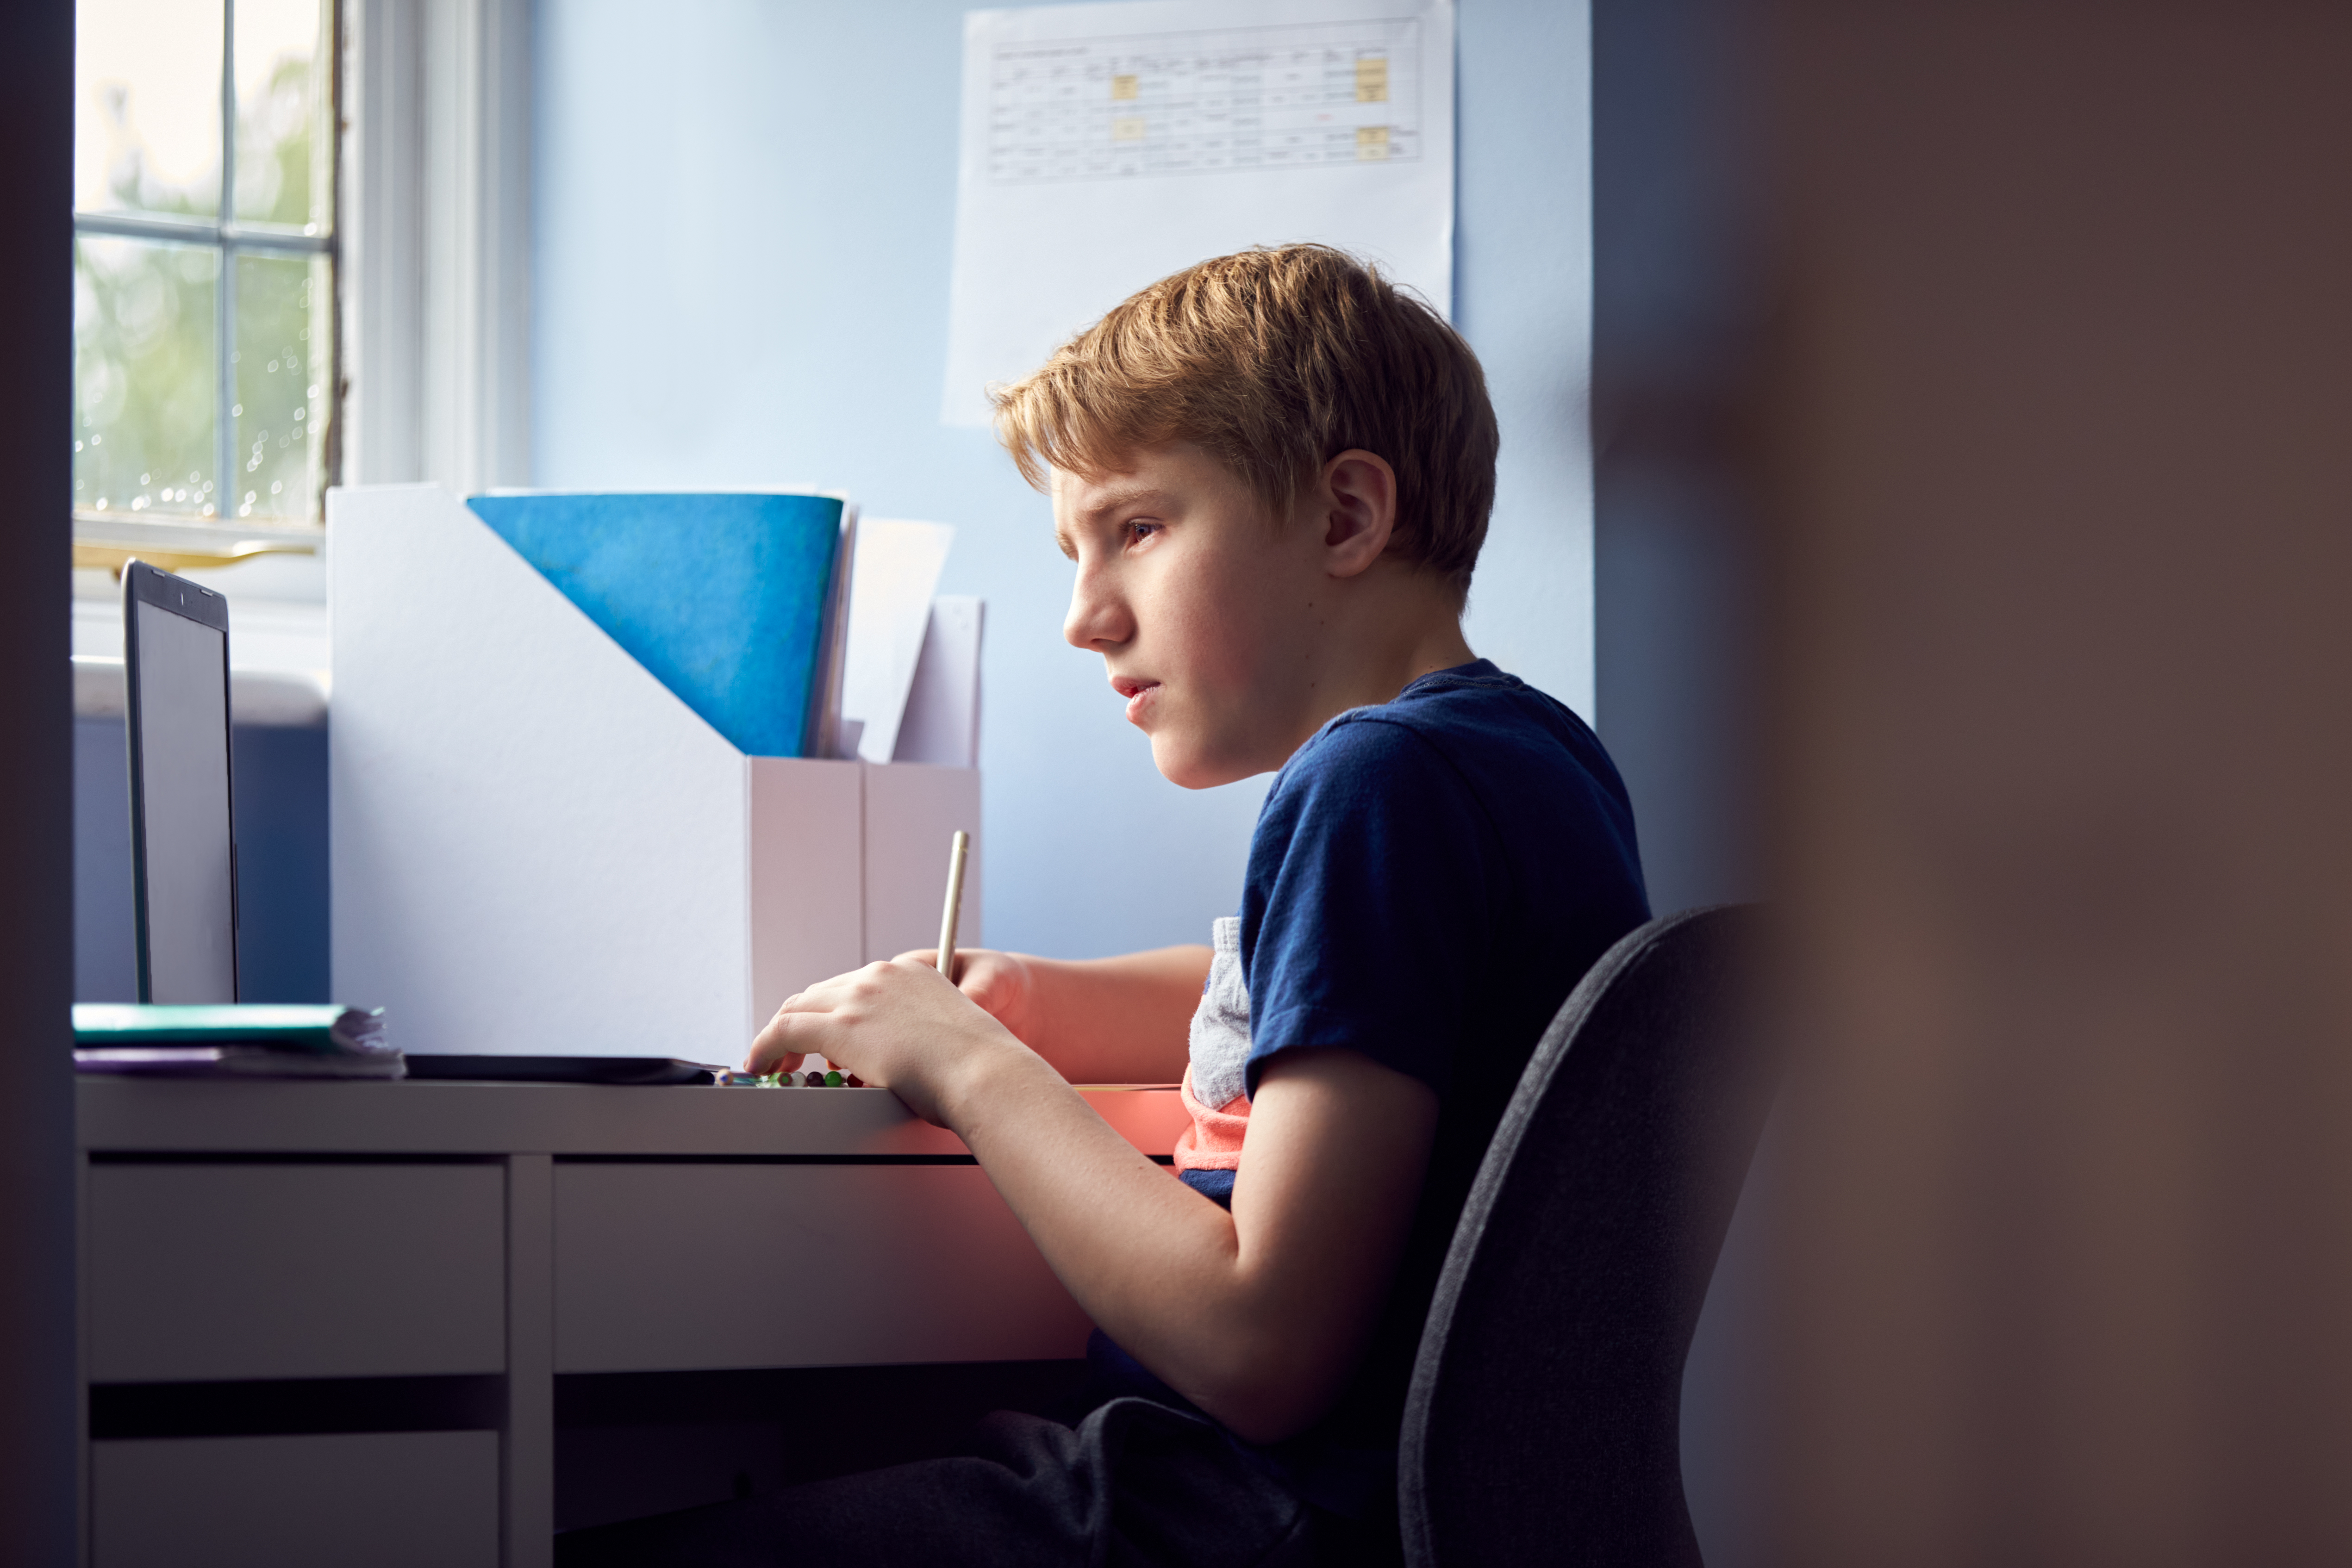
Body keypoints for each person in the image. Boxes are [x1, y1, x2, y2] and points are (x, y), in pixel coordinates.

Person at [557, 244, 1650, 1566]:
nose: (1082, 616)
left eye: (1136, 528)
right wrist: (1038, 999)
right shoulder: (1532, 760)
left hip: (1232, 1510)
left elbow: (1260, 1347)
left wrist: (976, 1067)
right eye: (1075, 549)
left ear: (1346, 518)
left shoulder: (1375, 782)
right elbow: (1354, 1002)